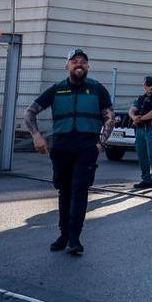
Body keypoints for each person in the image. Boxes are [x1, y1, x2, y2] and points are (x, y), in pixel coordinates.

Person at [23, 48, 114, 256]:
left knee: (79, 190)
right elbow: (30, 112)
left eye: (83, 61)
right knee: (64, 191)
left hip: (86, 147)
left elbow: (110, 116)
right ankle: (64, 235)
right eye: (74, 61)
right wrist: (36, 135)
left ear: (88, 66)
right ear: (67, 66)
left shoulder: (97, 89)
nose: (79, 64)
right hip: (62, 147)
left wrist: (101, 143)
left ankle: (75, 238)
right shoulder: (56, 89)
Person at [129, 75, 152, 190]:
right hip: (140, 130)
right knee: (142, 155)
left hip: (150, 129)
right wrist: (134, 117)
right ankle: (146, 180)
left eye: (149, 85)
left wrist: (140, 118)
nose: (148, 87)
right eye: (147, 85)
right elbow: (132, 109)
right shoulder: (142, 98)